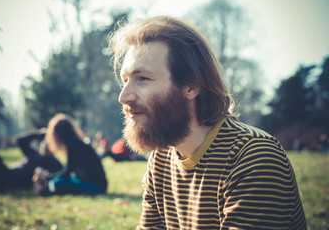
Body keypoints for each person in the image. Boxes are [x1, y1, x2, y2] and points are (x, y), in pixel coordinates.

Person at [108, 16, 307, 229]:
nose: (124, 96)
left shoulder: (253, 157)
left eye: (143, 79)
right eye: (126, 80)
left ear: (191, 86)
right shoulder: (161, 160)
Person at [32, 113, 107, 196]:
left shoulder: (74, 145)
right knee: (57, 182)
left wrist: (47, 176)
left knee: (58, 183)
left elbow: (66, 173)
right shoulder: (75, 143)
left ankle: (45, 191)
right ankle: (46, 189)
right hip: (96, 185)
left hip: (96, 187)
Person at [0, 129, 63, 193]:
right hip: (5, 171)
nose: (47, 146)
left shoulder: (54, 163)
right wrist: (39, 134)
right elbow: (20, 140)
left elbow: (61, 174)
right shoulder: (34, 153)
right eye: (46, 143)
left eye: (50, 145)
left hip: (10, 181)